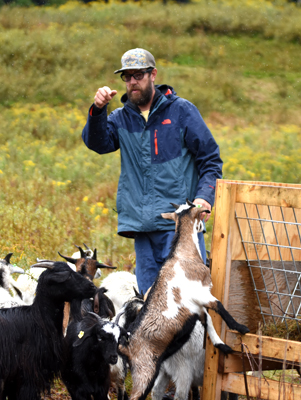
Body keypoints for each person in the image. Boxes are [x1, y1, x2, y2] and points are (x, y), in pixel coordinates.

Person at [82, 48, 223, 295]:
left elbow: (210, 160)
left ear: (153, 74)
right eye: (127, 76)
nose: (133, 81)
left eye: (139, 74)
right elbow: (98, 144)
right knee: (150, 302)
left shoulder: (182, 112)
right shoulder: (120, 119)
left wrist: (204, 197)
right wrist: (97, 110)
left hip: (179, 226)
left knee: (185, 301)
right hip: (142, 227)